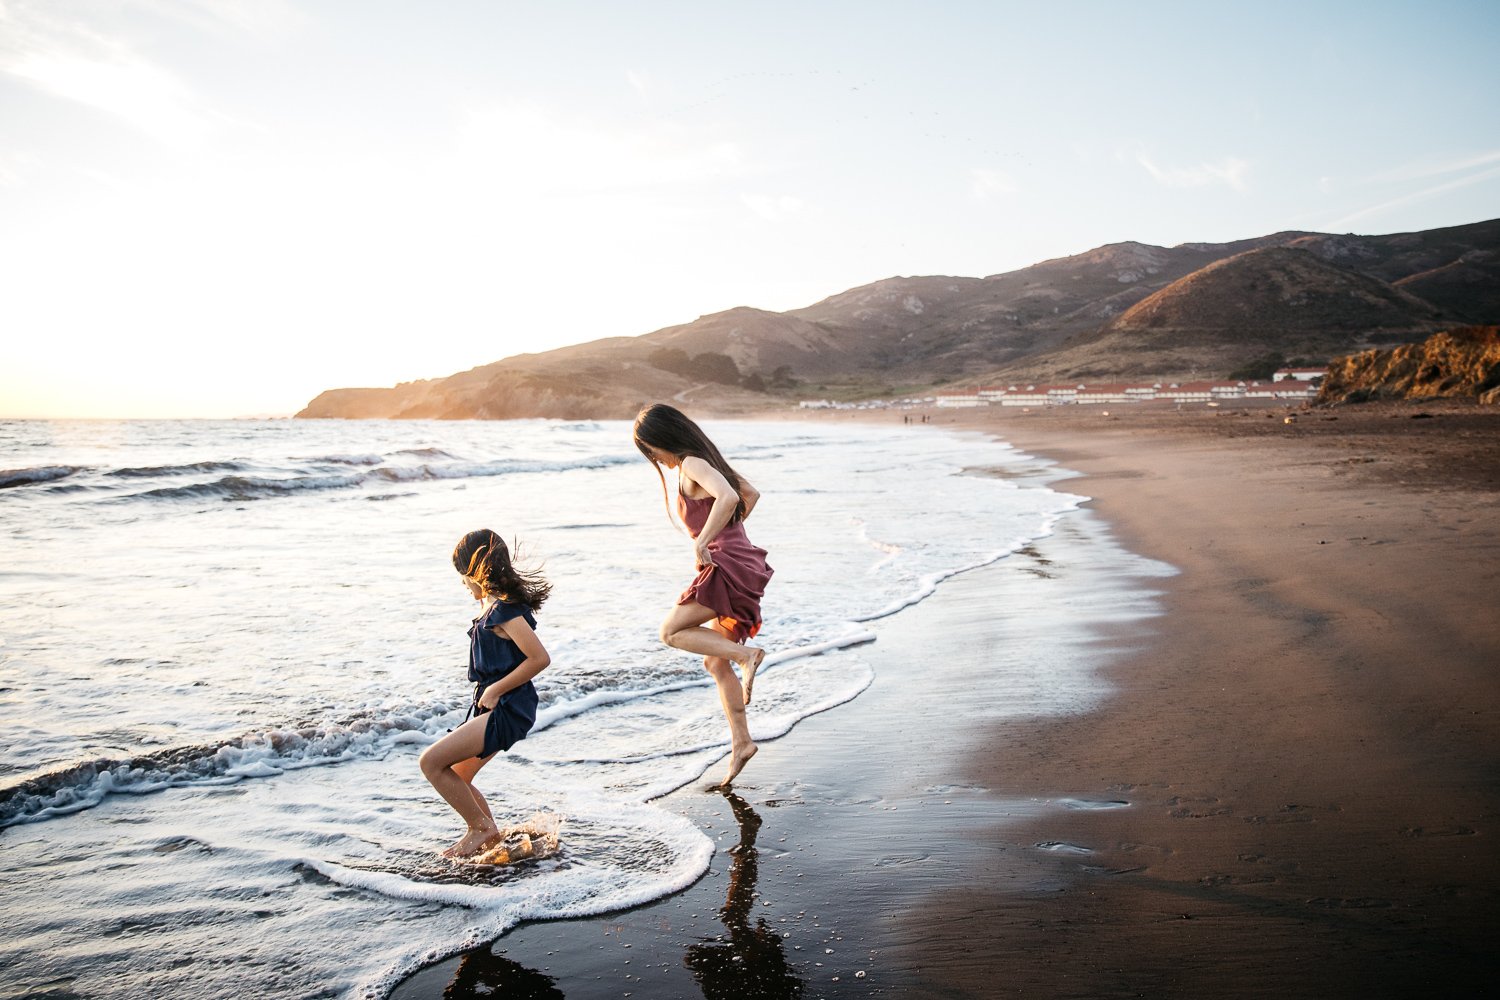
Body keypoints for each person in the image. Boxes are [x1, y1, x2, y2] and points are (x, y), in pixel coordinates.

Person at [633, 403, 772, 786]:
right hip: (738, 561)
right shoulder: (704, 461)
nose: (653, 459)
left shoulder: (691, 464)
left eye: (649, 449)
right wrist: (728, 537)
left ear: (662, 439)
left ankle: (749, 655)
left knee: (671, 632)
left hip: (728, 565)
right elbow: (750, 494)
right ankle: (742, 742)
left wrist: (706, 542)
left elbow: (730, 497)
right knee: (714, 662)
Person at [419, 528, 552, 858]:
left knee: (431, 762)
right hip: (499, 705)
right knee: (459, 774)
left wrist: (495, 689)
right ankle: (487, 837)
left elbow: (540, 658)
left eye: (463, 576)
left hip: (508, 706)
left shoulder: (504, 612)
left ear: (478, 572)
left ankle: (481, 829)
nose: (463, 584)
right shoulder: (493, 611)